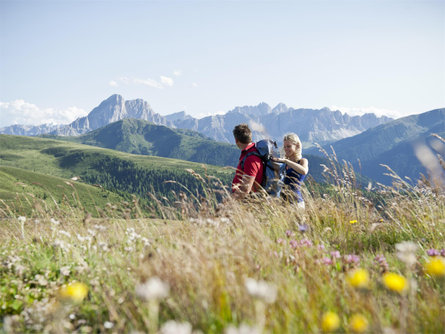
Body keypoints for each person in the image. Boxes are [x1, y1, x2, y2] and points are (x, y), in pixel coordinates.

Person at [272, 133, 308, 208]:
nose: (286, 149)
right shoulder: (283, 164)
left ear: (297, 146)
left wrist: (286, 161)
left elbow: (304, 171)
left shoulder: (302, 161)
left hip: (296, 203)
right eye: (284, 147)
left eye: (289, 146)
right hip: (283, 202)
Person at [231, 124, 264, 198]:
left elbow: (245, 189)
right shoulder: (251, 151)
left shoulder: (251, 158)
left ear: (236, 140)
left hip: (248, 201)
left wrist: (227, 203)